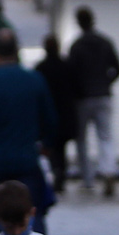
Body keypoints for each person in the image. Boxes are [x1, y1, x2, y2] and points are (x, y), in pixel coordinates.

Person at [0, 30, 59, 235]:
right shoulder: (34, 80)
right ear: (17, 50)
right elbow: (50, 120)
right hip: (27, 160)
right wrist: (47, 145)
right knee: (33, 214)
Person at [67, 6, 119, 196]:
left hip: (83, 98)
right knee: (105, 137)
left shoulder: (76, 46)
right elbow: (118, 67)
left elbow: (71, 74)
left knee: (82, 139)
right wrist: (107, 82)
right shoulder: (105, 42)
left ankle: (88, 179)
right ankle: (109, 171)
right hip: (103, 95)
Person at [36, 34, 80, 193]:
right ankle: (60, 173)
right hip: (65, 114)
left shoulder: (41, 68)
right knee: (61, 147)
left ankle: (55, 172)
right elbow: (77, 87)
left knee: (51, 147)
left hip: (48, 115)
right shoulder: (66, 66)